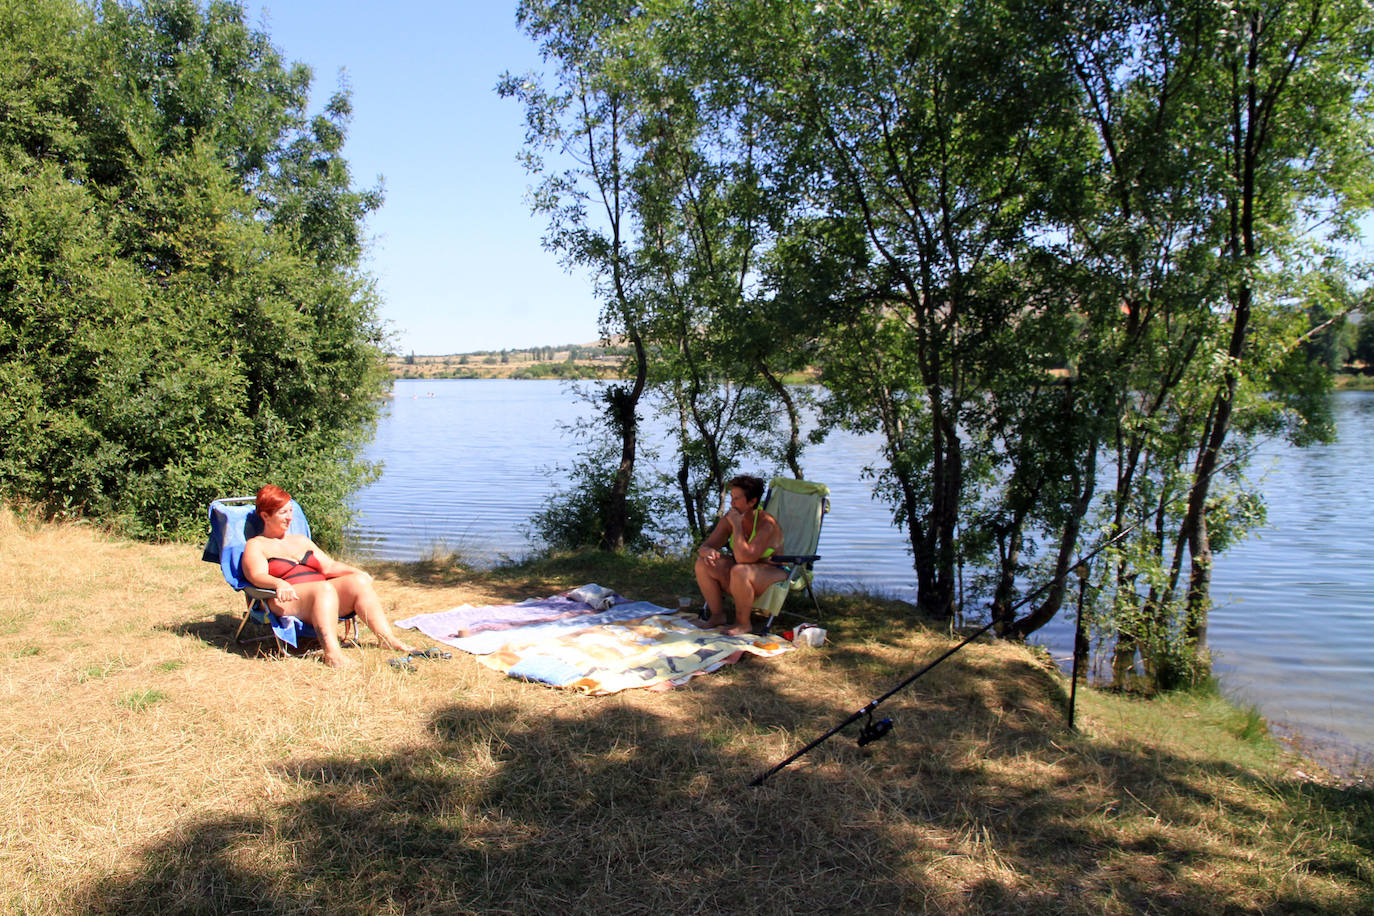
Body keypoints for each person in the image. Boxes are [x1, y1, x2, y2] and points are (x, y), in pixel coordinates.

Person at [241, 484, 414, 667]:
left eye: (291, 511)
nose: (290, 517)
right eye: (283, 512)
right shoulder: (256, 545)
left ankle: (387, 639)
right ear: (266, 516)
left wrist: (357, 572)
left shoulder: (301, 540)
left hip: (323, 594)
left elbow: (328, 566)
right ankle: (332, 654)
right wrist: (278, 584)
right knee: (324, 588)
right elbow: (256, 575)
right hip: (285, 598)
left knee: (358, 582)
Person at [694, 474, 786, 635]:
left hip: (773, 571)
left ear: (752, 502)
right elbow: (705, 546)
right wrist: (708, 551)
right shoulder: (729, 518)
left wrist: (736, 526)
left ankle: (743, 624)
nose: (732, 503)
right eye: (731, 497)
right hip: (744, 570)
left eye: (737, 498)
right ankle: (717, 615)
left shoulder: (766, 523)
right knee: (703, 563)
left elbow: (745, 558)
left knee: (740, 570)